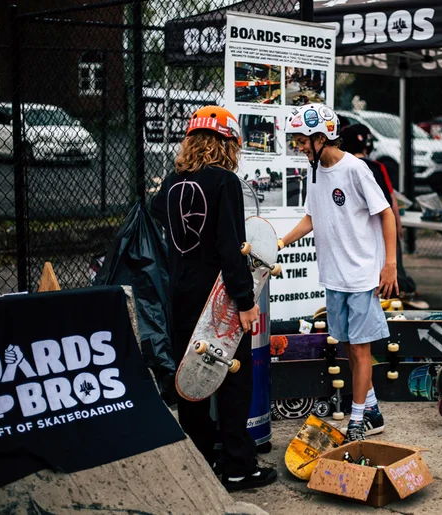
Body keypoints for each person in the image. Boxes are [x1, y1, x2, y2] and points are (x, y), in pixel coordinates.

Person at [150, 105, 276, 492]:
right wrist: (245, 301)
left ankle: (201, 464)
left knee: (192, 383)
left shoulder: (170, 184)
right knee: (233, 380)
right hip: (218, 301)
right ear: (229, 143)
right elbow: (232, 249)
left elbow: (158, 223)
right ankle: (238, 466)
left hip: (181, 296)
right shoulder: (224, 183)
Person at [279, 103, 398, 442]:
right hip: (334, 277)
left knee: (361, 351)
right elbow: (312, 217)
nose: (299, 147)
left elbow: (386, 214)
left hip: (361, 276)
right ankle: (372, 409)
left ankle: (358, 421)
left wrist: (389, 265)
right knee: (348, 346)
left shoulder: (356, 169)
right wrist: (280, 242)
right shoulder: (314, 172)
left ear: (321, 138)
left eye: (302, 141)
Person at [339, 122, 424, 305]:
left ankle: (385, 294)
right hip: (382, 228)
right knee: (392, 261)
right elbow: (391, 201)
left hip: (359, 232)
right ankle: (397, 293)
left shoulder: (344, 168)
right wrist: (398, 224)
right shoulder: (377, 167)